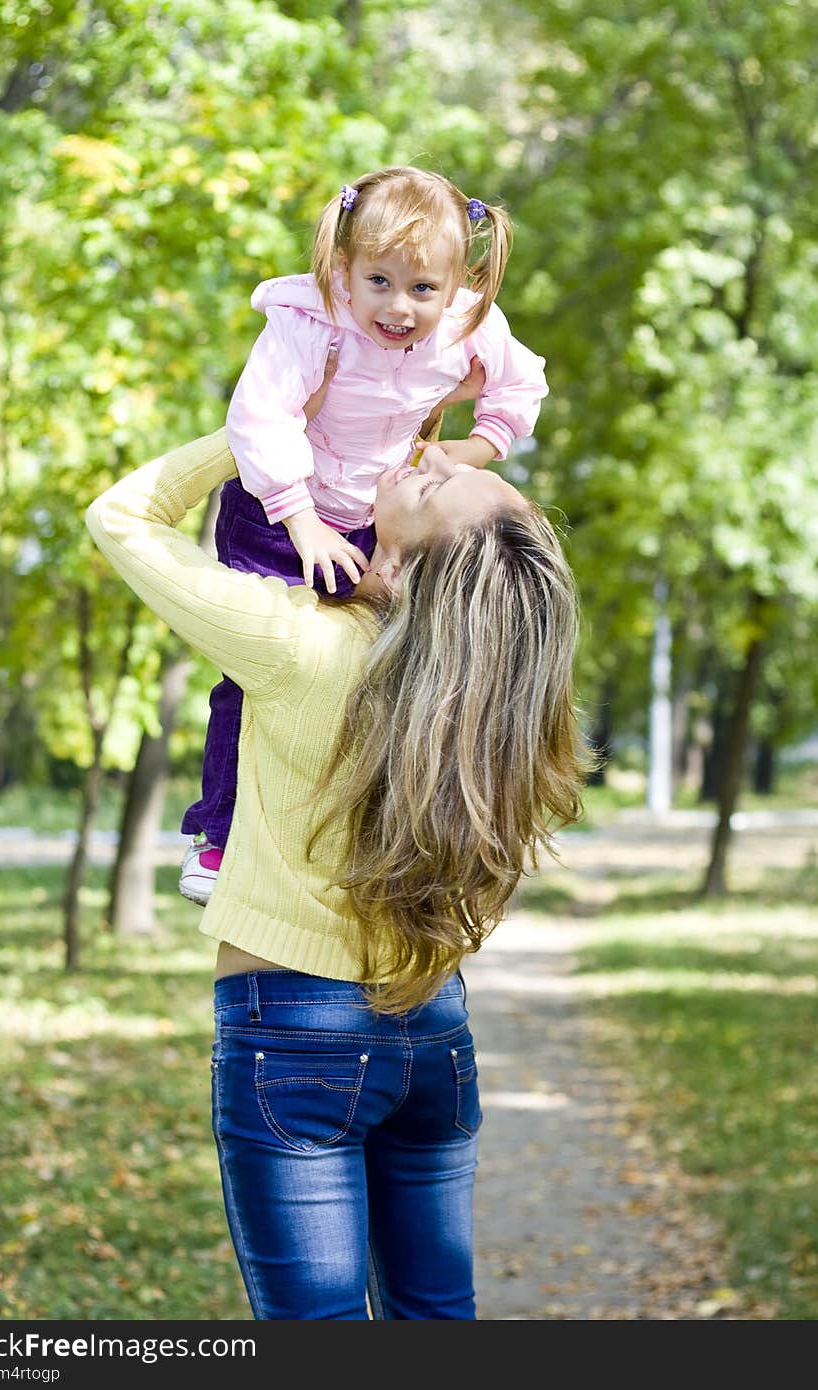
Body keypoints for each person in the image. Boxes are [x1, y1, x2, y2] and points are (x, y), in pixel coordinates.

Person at [85, 417, 587, 1320]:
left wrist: (264, 426)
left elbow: (122, 517)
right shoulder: (498, 719)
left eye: (431, 486)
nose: (432, 458)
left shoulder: (301, 647)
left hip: (294, 1038)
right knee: (435, 1321)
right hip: (433, 1031)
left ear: (399, 570)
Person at [179, 165, 549, 904]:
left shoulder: (469, 324)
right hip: (282, 515)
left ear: (458, 283)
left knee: (381, 671)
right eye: (378, 281)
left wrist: (471, 449)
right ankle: (220, 835)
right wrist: (301, 520)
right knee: (255, 676)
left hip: (375, 523)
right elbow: (261, 417)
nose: (399, 308)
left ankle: (379, 829)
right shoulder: (310, 321)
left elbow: (521, 386)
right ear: (344, 265)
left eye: (422, 290)